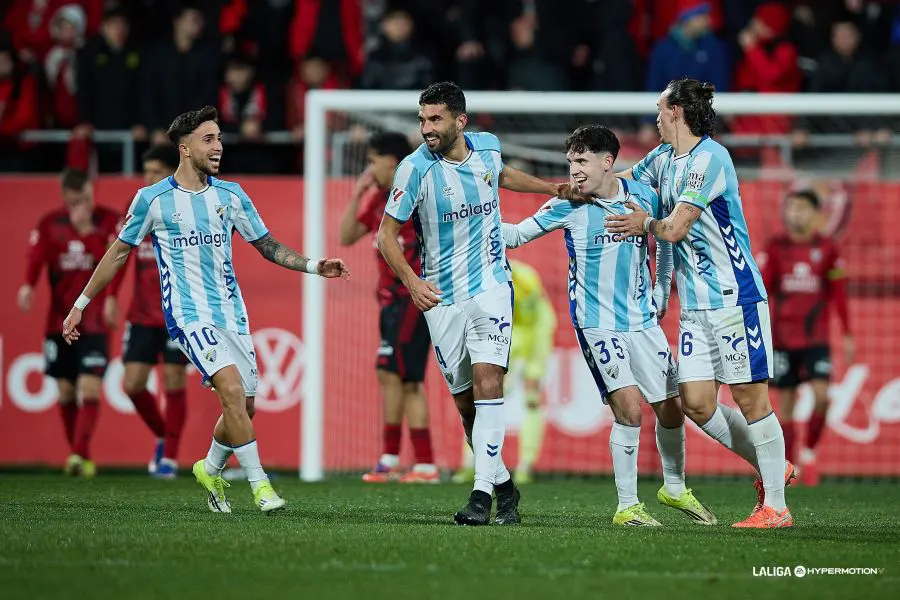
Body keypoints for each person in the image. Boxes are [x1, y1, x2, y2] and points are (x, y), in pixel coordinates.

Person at [61, 106, 350, 514]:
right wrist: (80, 305)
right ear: (184, 148)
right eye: (208, 139)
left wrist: (314, 266)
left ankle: (209, 468)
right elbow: (117, 254)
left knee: (244, 407)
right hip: (188, 316)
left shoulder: (231, 196)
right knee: (231, 392)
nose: (218, 146)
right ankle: (260, 486)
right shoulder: (153, 199)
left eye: (219, 138)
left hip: (233, 314)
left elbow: (267, 246)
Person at [377, 81, 577, 526]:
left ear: (459, 121)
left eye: (435, 119)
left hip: (490, 285)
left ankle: (480, 497)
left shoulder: (487, 147)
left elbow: (501, 175)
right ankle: (504, 486)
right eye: (422, 120)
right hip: (441, 298)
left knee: (491, 384)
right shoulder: (414, 171)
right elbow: (384, 236)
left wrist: (552, 188)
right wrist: (412, 283)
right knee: (466, 405)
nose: (426, 128)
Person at [503, 125, 716, 526]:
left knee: (671, 408)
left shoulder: (644, 197)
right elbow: (515, 236)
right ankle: (627, 505)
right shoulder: (569, 205)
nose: (574, 170)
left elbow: (665, 243)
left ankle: (673, 488)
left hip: (641, 321)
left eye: (581, 161)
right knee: (629, 408)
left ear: (607, 161)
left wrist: (661, 289)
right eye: (570, 162)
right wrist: (468, 229)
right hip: (597, 323)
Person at [607, 78, 794, 528]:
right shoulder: (663, 158)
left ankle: (777, 506)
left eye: (659, 107)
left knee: (750, 399)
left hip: (735, 298)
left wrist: (644, 222)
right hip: (694, 306)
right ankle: (776, 471)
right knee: (695, 403)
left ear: (677, 111)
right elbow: (621, 182)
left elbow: (673, 229)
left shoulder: (710, 158)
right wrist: (584, 178)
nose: (655, 115)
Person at [339, 131, 438, 484]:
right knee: (390, 373)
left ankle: (420, 463)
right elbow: (347, 235)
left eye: (373, 160)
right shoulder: (379, 198)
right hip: (388, 302)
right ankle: (395, 458)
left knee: (406, 377)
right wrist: (357, 195)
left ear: (391, 162)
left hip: (411, 298)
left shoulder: (416, 195)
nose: (370, 168)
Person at [18, 168, 122, 478]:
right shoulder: (51, 224)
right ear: (65, 197)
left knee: (89, 387)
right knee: (65, 391)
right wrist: (27, 285)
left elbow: (112, 262)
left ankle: (78, 455)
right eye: (77, 200)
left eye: (88, 199)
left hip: (94, 324)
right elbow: (36, 259)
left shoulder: (107, 221)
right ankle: (79, 455)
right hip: (58, 322)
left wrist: (87, 231)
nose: (84, 206)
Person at [758, 190, 853, 486]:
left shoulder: (828, 249)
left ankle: (809, 452)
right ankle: (789, 467)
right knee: (785, 404)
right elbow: (764, 291)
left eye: (801, 208)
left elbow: (837, 293)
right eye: (791, 208)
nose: (795, 213)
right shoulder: (775, 248)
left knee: (822, 397)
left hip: (816, 339)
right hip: (783, 339)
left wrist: (848, 333)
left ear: (816, 213)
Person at [452, 259, 557, 485]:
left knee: (531, 397)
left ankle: (525, 465)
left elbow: (532, 321)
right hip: (505, 329)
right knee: (482, 396)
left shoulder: (524, 277)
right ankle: (471, 463)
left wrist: (530, 368)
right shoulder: (477, 274)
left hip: (534, 332)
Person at [121, 143, 189, 479]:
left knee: (174, 380)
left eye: (156, 172)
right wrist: (106, 297)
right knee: (132, 384)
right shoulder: (137, 206)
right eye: (145, 172)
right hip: (141, 314)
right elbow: (119, 254)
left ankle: (171, 459)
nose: (148, 179)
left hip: (177, 312)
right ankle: (165, 435)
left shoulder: (185, 208)